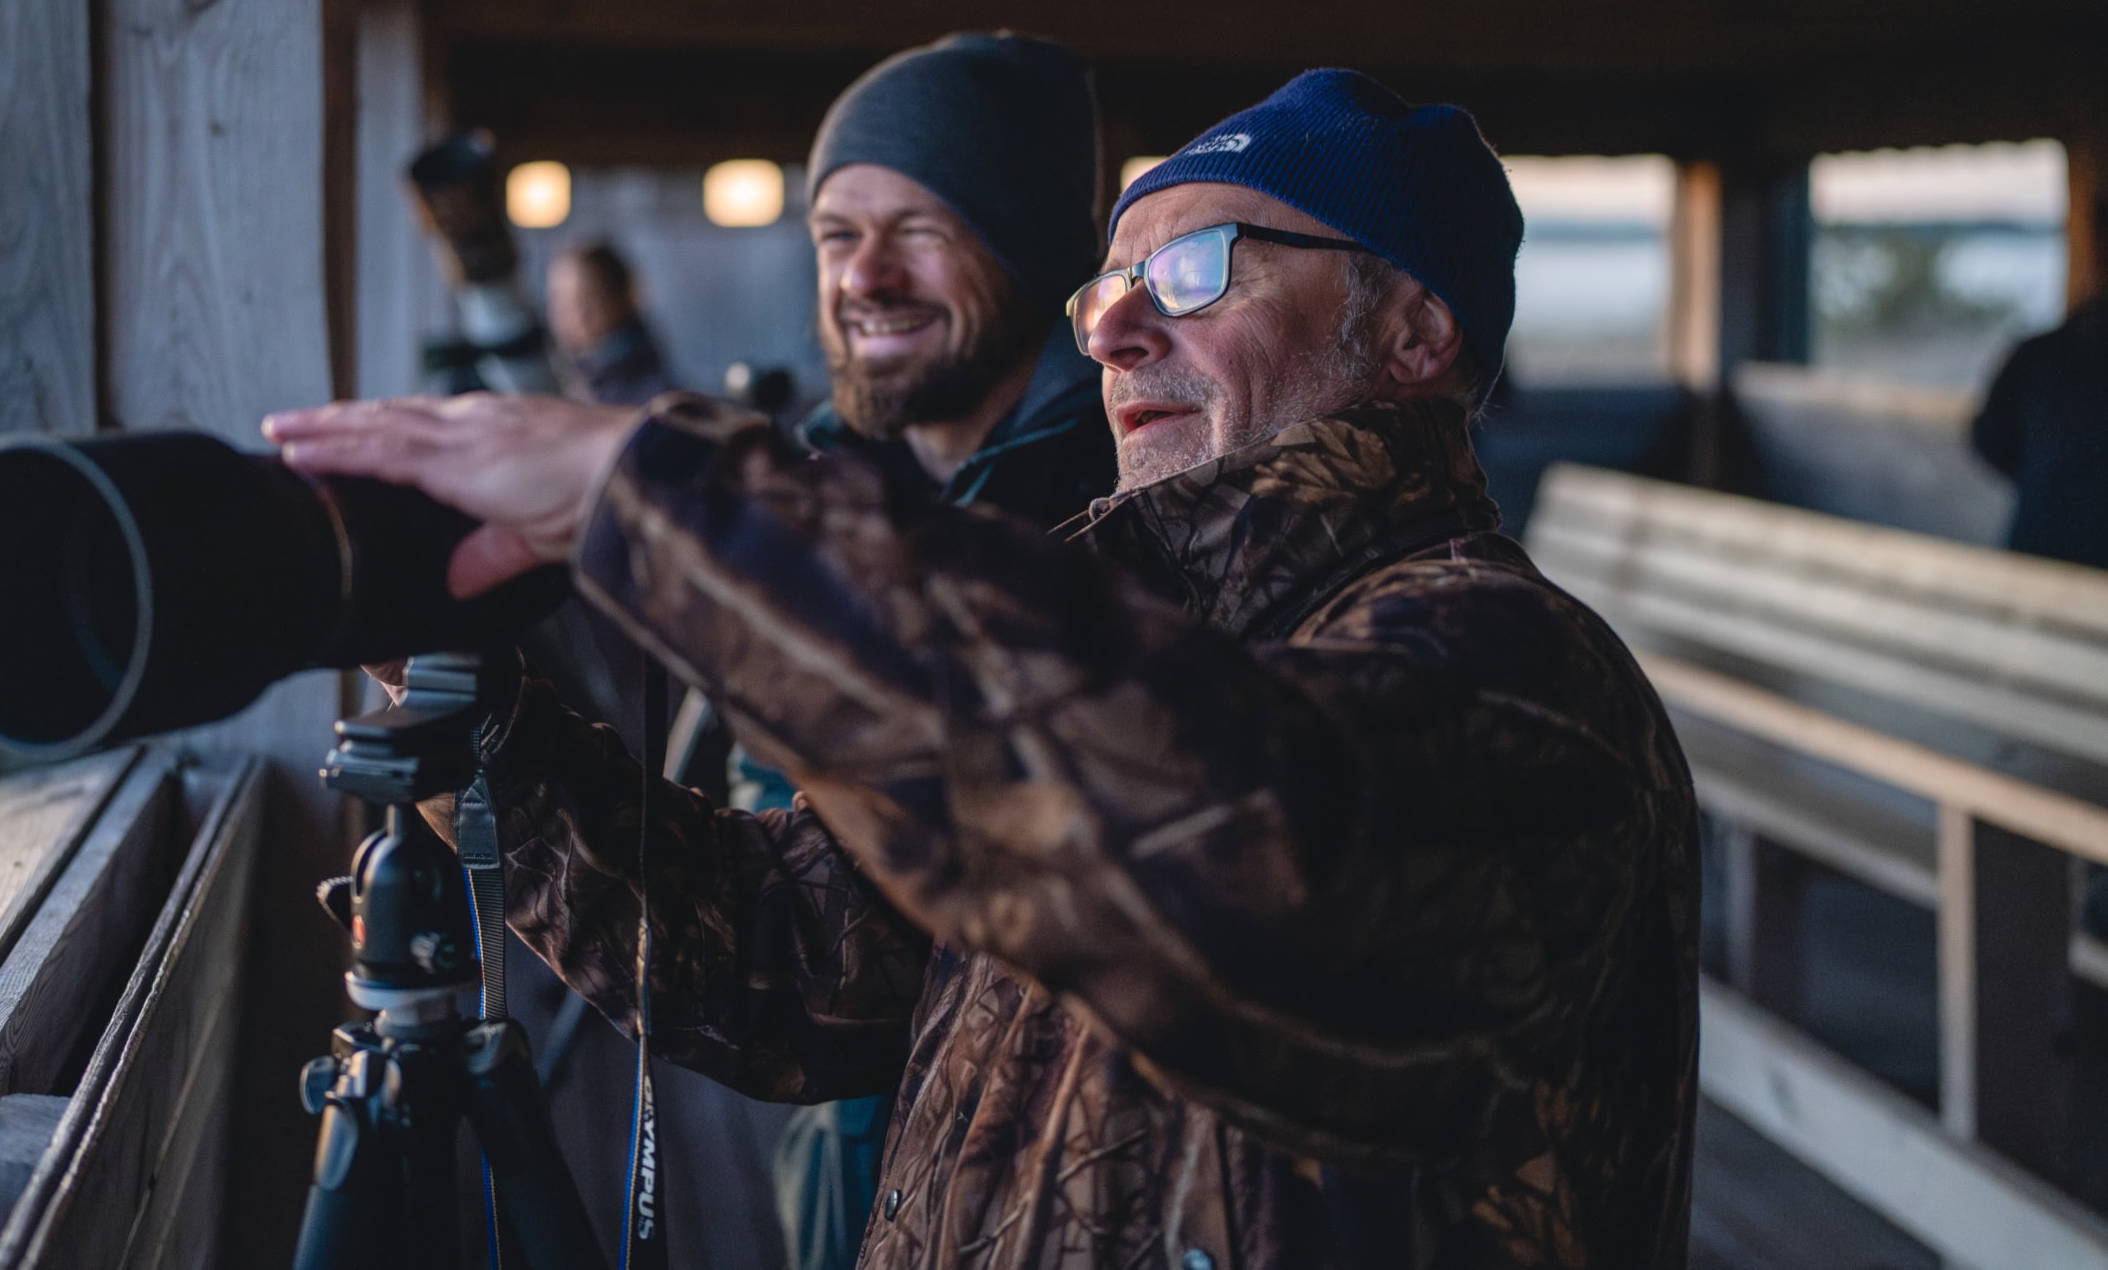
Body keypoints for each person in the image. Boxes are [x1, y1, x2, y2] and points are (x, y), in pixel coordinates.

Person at [267, 68, 1701, 1268]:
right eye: (1111, 287)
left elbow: (1240, 861)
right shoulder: (1133, 638)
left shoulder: (1520, 672)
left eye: (1198, 270)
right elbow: (791, 960)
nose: (1124, 324)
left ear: (1415, 330)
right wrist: (483, 720)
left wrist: (666, 498)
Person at [742, 31, 1120, 1268]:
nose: (867, 275)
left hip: (1039, 1171)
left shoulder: (1122, 513)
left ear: (1028, 246)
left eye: (924, 226)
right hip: (842, 1130)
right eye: (837, 234)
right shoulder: (825, 490)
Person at [1972, 276, 2108, 569]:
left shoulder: (2039, 350)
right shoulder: (2039, 352)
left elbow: (1987, 441)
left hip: (2036, 549)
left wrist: (2047, 476)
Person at [547, 241, 676, 406]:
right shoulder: (568, 375)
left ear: (622, 297)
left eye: (587, 300)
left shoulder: (652, 395)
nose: (574, 315)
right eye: (559, 301)